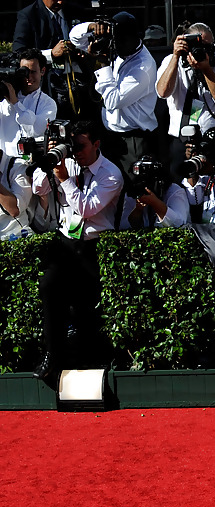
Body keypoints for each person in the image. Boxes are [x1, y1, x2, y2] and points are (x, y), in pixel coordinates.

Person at [30, 119, 123, 380]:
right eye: (72, 146)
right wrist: (49, 160)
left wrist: (65, 180)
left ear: (96, 144)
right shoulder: (67, 160)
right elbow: (39, 188)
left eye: (81, 146)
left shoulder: (111, 173)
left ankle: (89, 362)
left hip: (95, 245)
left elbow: (87, 208)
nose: (76, 152)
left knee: (85, 309)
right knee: (48, 287)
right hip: (66, 242)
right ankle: (52, 355)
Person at [156, 23, 215, 179]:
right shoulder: (172, 61)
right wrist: (176, 56)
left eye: (207, 46)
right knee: (181, 188)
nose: (203, 51)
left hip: (212, 139)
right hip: (181, 139)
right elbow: (162, 92)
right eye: (198, 46)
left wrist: (206, 69)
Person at [93, 12, 158, 180]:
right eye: (115, 40)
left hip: (133, 142)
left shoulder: (143, 67)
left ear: (134, 38)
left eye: (120, 40)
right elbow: (75, 37)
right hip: (110, 136)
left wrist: (103, 66)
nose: (115, 45)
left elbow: (112, 101)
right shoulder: (121, 50)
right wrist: (92, 27)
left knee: (133, 191)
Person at [0, 47, 58, 236]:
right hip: (2, 168)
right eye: (24, 71)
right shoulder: (2, 100)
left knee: (33, 221)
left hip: (29, 172)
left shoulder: (48, 103)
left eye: (33, 71)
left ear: (43, 71)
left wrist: (16, 103)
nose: (28, 77)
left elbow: (35, 129)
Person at [12, 0, 79, 59]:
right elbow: (19, 51)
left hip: (76, 69)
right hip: (45, 70)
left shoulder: (75, 11)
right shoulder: (29, 15)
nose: (60, 2)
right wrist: (51, 54)